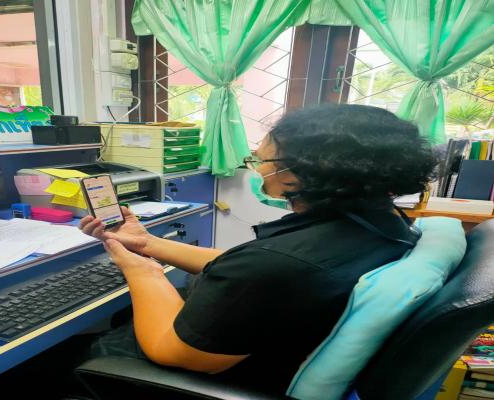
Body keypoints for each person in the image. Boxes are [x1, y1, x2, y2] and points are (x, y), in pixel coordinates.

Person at [79, 104, 436, 393]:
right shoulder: (380, 222)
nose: (258, 170)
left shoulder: (281, 265)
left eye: (264, 160)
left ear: (305, 172)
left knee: (71, 353)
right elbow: (246, 266)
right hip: (273, 342)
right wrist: (147, 244)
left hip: (216, 375)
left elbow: (170, 350)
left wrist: (141, 268)